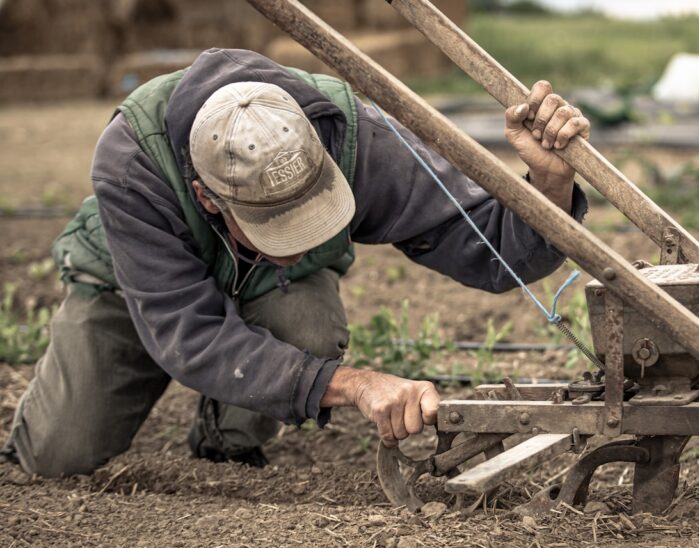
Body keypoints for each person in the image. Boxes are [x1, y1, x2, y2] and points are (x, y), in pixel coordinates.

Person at [1, 48, 590, 477]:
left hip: (271, 287)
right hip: (136, 286)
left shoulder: (353, 136)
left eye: (314, 212)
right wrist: (354, 385)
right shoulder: (133, 163)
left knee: (309, 326)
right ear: (207, 196)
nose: (303, 241)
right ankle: (50, 413)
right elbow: (185, 331)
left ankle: (224, 440)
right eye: (276, 227)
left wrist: (550, 182)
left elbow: (491, 253)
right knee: (60, 454)